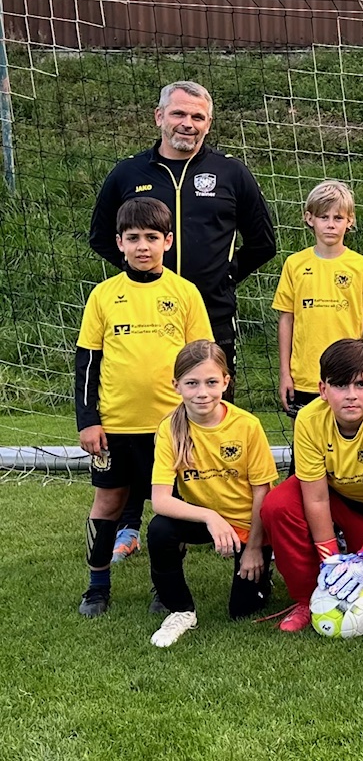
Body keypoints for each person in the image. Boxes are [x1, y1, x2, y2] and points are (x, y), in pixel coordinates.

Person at [88, 80, 276, 562]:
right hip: (141, 320)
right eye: (179, 115)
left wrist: (223, 279)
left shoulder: (230, 172)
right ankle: (133, 521)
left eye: (197, 117)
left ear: (208, 123)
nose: (187, 124)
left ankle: (218, 519)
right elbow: (102, 236)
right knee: (139, 427)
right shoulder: (128, 172)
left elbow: (263, 242)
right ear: (159, 117)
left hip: (208, 319)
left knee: (206, 425)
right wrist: (140, 278)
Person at [75, 197, 213, 617]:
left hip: (173, 425)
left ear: (167, 241)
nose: (142, 246)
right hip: (116, 425)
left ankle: (164, 585)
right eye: (133, 238)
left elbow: (203, 359)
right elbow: (87, 364)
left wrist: (203, 416)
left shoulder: (185, 293)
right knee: (109, 504)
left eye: (152, 237)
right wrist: (88, 421)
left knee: (169, 506)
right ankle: (97, 586)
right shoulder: (103, 296)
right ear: (119, 243)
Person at [259, 339, 363, 633]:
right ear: (322, 390)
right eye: (340, 385)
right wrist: (329, 558)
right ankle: (308, 599)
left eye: (360, 384)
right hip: (334, 495)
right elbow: (316, 498)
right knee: (277, 505)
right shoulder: (308, 419)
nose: (351, 396)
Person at [147, 340, 277, 647]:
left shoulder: (247, 426)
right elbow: (160, 500)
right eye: (191, 383)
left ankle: (262, 573)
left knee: (242, 611)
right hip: (207, 521)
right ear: (176, 385)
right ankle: (180, 609)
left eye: (211, 382)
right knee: (159, 530)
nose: (202, 392)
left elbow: (263, 493)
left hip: (250, 525)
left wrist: (255, 547)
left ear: (226, 382)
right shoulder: (169, 428)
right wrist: (210, 516)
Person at [273, 180, 363, 417]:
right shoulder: (295, 264)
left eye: (338, 218)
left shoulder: (362, 266)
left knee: (350, 446)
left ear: (349, 221)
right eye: (324, 217)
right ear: (309, 218)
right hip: (305, 376)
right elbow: (286, 320)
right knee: (304, 446)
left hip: (350, 376)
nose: (331, 225)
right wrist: (285, 373)